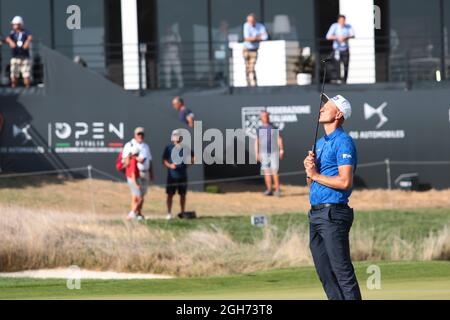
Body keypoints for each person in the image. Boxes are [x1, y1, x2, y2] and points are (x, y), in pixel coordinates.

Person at [303, 94, 361, 300]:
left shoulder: (343, 142)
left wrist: (316, 175)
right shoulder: (320, 143)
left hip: (334, 213)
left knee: (342, 272)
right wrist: (310, 171)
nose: (321, 110)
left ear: (338, 114)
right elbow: (312, 183)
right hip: (316, 213)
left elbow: (345, 182)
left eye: (326, 107)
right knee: (325, 274)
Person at [122, 127, 154, 219]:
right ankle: (132, 213)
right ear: (135, 135)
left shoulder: (146, 146)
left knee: (142, 195)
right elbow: (126, 160)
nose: (140, 136)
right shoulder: (130, 145)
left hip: (145, 173)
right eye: (138, 134)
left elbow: (150, 160)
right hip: (135, 173)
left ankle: (138, 213)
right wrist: (135, 157)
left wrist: (151, 173)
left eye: (142, 134)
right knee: (136, 194)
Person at [163, 129, 194, 220]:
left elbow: (194, 157)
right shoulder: (168, 147)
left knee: (183, 195)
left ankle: (183, 212)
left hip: (182, 175)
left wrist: (188, 164)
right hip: (172, 176)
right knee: (170, 194)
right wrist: (170, 165)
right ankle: (169, 213)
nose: (176, 137)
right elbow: (164, 160)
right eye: (175, 135)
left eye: (178, 135)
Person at [255, 111, 284, 197]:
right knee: (266, 171)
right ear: (261, 117)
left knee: (274, 171)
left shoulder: (273, 127)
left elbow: (279, 138)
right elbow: (257, 141)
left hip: (274, 152)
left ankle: (277, 190)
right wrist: (257, 153)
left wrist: (281, 149)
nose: (265, 118)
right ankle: (269, 190)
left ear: (268, 117)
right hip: (263, 153)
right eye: (263, 116)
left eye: (266, 116)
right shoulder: (259, 129)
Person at [5, 16, 33, 88]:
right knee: (14, 74)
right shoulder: (12, 33)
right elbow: (7, 38)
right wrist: (11, 42)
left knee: (26, 74)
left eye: (15, 24)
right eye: (13, 24)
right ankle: (13, 87)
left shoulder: (25, 32)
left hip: (25, 57)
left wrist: (27, 43)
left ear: (20, 24)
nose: (13, 26)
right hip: (15, 56)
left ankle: (27, 88)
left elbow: (30, 37)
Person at [326, 15, 355, 84]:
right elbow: (328, 36)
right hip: (336, 49)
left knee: (345, 65)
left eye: (344, 21)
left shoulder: (348, 26)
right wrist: (337, 37)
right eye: (341, 21)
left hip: (345, 49)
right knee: (333, 63)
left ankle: (344, 81)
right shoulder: (334, 26)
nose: (343, 22)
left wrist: (346, 37)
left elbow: (353, 35)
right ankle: (336, 79)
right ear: (338, 21)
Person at [243, 13, 268, 87]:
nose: (250, 23)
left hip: (254, 50)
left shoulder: (260, 26)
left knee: (252, 67)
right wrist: (257, 37)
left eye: (251, 21)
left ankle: (254, 83)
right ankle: (248, 83)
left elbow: (265, 37)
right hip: (246, 49)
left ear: (254, 20)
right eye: (248, 21)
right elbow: (247, 38)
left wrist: (254, 38)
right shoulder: (246, 25)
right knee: (247, 67)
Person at [125, 145, 144, 221]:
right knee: (140, 199)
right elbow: (133, 173)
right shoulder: (133, 160)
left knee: (135, 198)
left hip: (130, 180)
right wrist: (136, 184)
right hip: (133, 180)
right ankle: (132, 213)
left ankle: (135, 214)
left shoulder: (130, 159)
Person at [161, 25, 183, 89]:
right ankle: (168, 87)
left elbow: (180, 45)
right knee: (167, 73)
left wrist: (180, 54)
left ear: (171, 29)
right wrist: (165, 46)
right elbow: (161, 47)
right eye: (166, 29)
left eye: (169, 28)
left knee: (178, 72)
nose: (168, 30)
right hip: (166, 57)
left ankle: (181, 86)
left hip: (175, 56)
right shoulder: (163, 38)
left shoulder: (176, 36)